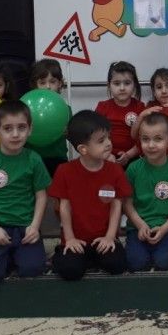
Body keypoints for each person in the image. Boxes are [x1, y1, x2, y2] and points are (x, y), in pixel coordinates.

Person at [0, 100, 50, 284]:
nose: (15, 134)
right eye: (7, 128)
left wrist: (34, 226)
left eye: (21, 128)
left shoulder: (34, 159)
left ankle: (15, 254)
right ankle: (6, 255)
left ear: (30, 129)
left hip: (25, 226)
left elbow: (41, 196)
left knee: (32, 270)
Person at [49, 110, 132, 280]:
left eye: (108, 137)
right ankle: (64, 254)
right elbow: (64, 207)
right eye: (101, 141)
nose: (108, 143)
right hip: (76, 239)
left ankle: (93, 257)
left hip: (103, 237)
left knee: (117, 265)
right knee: (70, 271)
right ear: (83, 149)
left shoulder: (115, 170)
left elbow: (117, 205)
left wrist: (110, 237)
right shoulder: (64, 171)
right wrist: (70, 239)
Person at [123, 111, 168, 271]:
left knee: (164, 262)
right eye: (145, 139)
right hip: (138, 227)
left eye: (158, 139)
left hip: (167, 228)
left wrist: (164, 229)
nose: (151, 145)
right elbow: (127, 203)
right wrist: (140, 225)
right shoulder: (133, 169)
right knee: (136, 263)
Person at [95, 61, 145, 167]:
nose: (122, 88)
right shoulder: (102, 106)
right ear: (109, 85)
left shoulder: (140, 107)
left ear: (134, 85)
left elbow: (145, 136)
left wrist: (129, 155)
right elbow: (95, 135)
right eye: (117, 83)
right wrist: (106, 155)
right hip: (106, 157)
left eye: (127, 83)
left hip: (134, 158)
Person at [26, 58, 69, 176]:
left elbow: (73, 135)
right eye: (42, 82)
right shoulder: (27, 108)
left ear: (60, 83)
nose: (48, 86)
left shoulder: (65, 109)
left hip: (58, 159)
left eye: (52, 81)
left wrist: (69, 132)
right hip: (31, 158)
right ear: (35, 85)